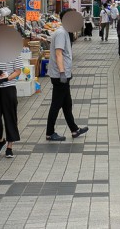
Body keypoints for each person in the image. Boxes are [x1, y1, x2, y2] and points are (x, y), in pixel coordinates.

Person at [46, 10, 89, 142]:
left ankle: (74, 130)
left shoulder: (64, 32)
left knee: (66, 103)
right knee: (56, 104)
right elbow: (59, 53)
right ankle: (50, 133)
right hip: (60, 75)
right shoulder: (60, 33)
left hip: (63, 74)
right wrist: (63, 72)